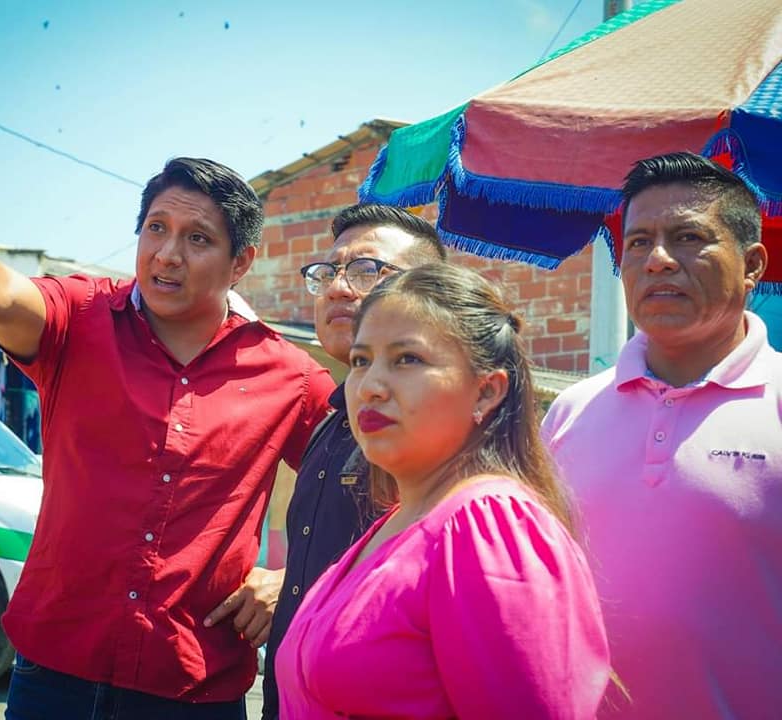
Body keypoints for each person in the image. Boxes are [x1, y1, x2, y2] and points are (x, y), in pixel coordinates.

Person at [0, 157, 336, 719]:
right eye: (156, 228)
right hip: (54, 679)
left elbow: (379, 492)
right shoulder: (78, 316)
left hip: (193, 688)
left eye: (198, 238)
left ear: (241, 261)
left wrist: (296, 578)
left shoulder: (290, 376)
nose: (168, 254)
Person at [277, 264, 611, 719]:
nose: (370, 387)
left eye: (407, 359)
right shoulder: (396, 524)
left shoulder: (488, 526)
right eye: (360, 361)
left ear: (486, 391)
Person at [541, 151, 780, 719]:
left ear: (752, 265)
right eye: (639, 242)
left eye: (688, 237)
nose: (657, 261)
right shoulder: (571, 411)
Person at [251, 204, 446, 719]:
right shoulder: (329, 424)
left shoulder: (438, 435)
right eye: (328, 271)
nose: (338, 288)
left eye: (365, 270)